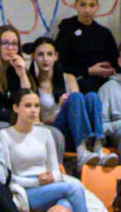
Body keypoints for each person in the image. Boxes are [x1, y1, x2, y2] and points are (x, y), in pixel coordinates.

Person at [1, 90, 91, 212]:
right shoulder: (4, 135)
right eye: (28, 106)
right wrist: (37, 182)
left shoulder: (46, 133)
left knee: (65, 206)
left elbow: (56, 170)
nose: (33, 110)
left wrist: (51, 178)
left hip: (49, 186)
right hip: (24, 190)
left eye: (37, 106)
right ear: (16, 108)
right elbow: (7, 177)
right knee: (74, 189)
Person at [28, 37, 105, 167]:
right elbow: (39, 121)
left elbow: (79, 111)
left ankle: (98, 147)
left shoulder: (69, 78)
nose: (45, 59)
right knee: (74, 98)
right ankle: (81, 151)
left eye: (49, 54)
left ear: (56, 56)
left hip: (75, 128)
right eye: (40, 54)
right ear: (34, 57)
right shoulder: (31, 83)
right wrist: (60, 108)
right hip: (53, 129)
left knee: (91, 96)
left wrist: (68, 105)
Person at [55, 0, 119, 91]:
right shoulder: (66, 30)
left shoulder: (104, 33)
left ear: (97, 7)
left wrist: (110, 70)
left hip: (104, 82)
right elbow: (60, 65)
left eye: (91, 5)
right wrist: (88, 70)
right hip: (77, 81)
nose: (87, 10)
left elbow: (116, 62)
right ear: (75, 5)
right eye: (83, 5)